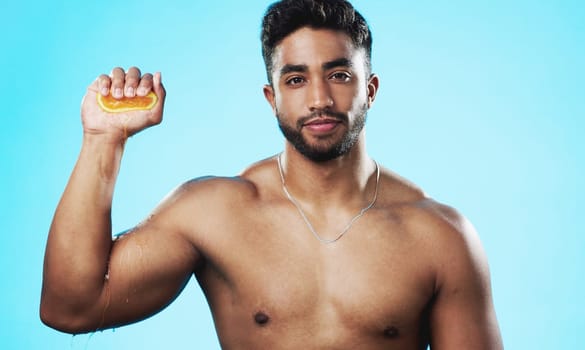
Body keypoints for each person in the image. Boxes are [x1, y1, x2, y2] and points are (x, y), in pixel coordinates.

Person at [40, 0, 503, 349]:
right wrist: (104, 140)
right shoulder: (216, 214)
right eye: (296, 79)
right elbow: (71, 308)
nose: (319, 98)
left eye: (339, 75)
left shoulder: (438, 235)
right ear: (271, 97)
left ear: (371, 89)